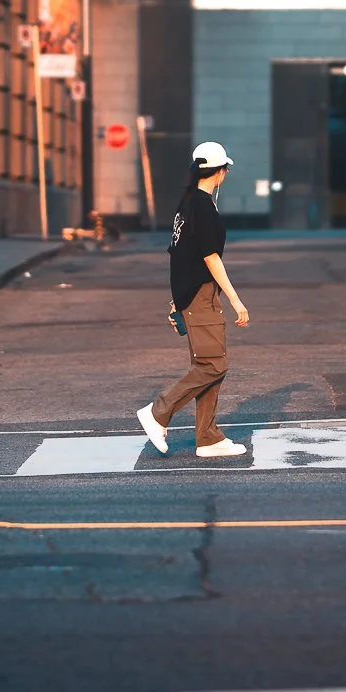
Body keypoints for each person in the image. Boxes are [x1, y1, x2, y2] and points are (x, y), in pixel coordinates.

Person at [137, 140, 250, 459]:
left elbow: (177, 254)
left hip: (193, 295)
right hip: (201, 296)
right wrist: (235, 300)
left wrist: (177, 300)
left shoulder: (188, 203)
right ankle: (158, 412)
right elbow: (210, 257)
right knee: (214, 364)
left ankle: (208, 437)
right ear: (221, 171)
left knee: (210, 364)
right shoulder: (201, 205)